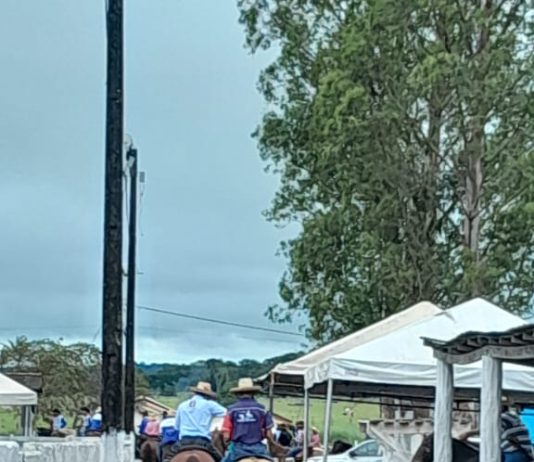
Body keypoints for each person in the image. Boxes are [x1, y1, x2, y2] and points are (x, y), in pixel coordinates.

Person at [169, 381, 226, 462]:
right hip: (203, 441)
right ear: (207, 395)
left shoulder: (182, 405)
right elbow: (226, 413)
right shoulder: (210, 404)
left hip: (184, 441)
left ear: (195, 392)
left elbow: (177, 427)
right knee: (221, 459)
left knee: (167, 458)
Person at [221, 378, 274, 462]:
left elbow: (226, 435)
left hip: (238, 449)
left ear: (238, 394)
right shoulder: (262, 409)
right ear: (253, 393)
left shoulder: (231, 410)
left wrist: (226, 442)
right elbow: (269, 434)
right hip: (258, 448)